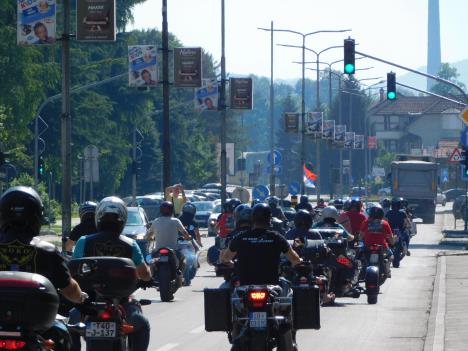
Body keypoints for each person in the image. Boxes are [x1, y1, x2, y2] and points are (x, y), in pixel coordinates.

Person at [0, 186, 85, 351]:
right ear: (36, 215)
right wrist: (81, 298)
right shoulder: (47, 250)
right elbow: (69, 288)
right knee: (62, 337)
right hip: (38, 324)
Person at [73, 196, 153, 351]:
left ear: (98, 218)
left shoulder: (83, 241)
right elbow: (144, 273)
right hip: (121, 301)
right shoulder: (131, 244)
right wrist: (149, 278)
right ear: (122, 219)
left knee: (71, 324)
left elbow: (74, 269)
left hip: (89, 302)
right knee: (142, 325)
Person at [220, 203, 302, 286]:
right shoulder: (277, 237)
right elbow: (295, 260)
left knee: (224, 288)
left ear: (252, 219)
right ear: (270, 219)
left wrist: (233, 264)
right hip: (271, 285)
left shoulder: (240, 237)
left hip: (245, 285)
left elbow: (225, 258)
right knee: (289, 291)